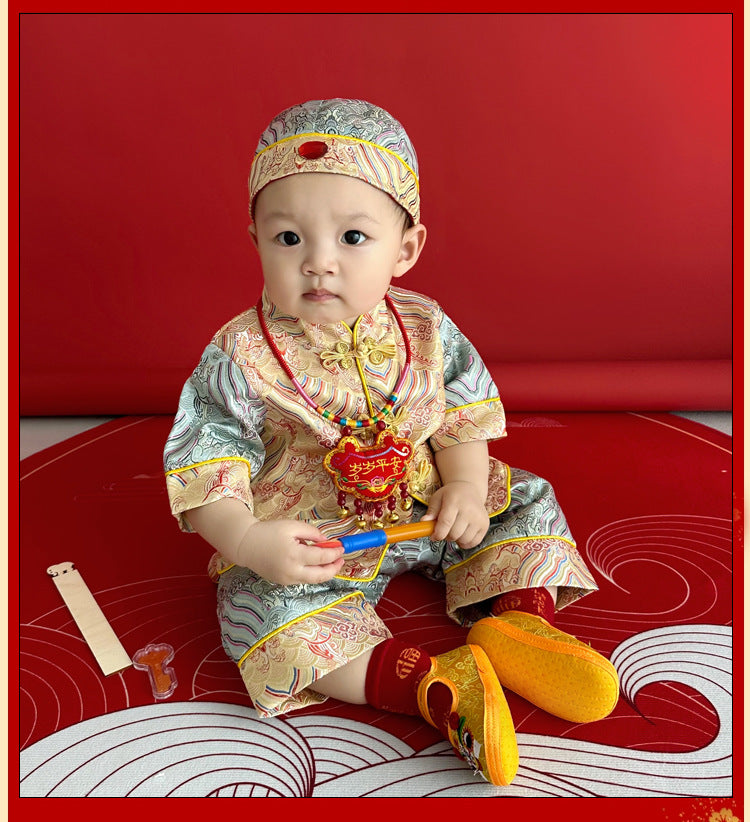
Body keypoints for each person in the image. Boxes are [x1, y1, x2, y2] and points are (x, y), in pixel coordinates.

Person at [163, 98, 619, 787]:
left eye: (352, 238)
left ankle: (522, 626)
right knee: (258, 614)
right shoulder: (240, 355)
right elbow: (208, 464)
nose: (319, 263)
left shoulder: (428, 327)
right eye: (289, 239)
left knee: (521, 498)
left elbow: (463, 415)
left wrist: (465, 483)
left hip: (431, 510)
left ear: (404, 250)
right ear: (255, 238)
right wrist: (249, 541)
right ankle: (429, 685)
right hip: (317, 543)